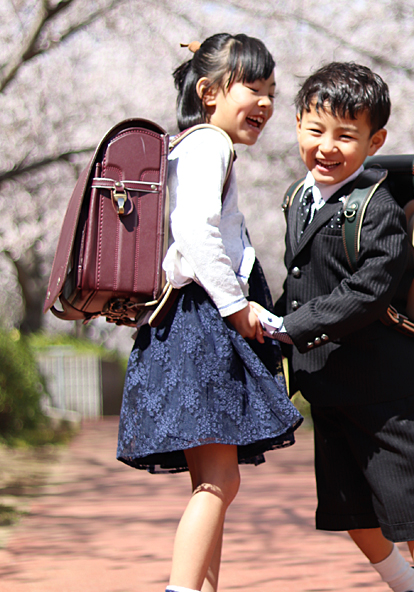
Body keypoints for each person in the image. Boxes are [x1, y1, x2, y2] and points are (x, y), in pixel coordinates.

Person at [252, 62, 414, 592]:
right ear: (297, 125)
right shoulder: (299, 199)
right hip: (328, 384)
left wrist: (290, 326)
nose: (327, 147)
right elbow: (301, 280)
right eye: (316, 130)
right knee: (348, 508)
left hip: (386, 389)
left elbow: (368, 291)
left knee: (413, 507)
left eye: (346, 135)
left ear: (375, 140)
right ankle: (404, 585)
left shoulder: (378, 207)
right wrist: (264, 319)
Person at [116, 33, 302, 592]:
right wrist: (236, 305)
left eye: (271, 90)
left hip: (183, 323)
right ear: (209, 91)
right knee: (220, 481)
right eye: (253, 87)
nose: (266, 102)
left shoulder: (187, 145)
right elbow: (195, 231)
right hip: (202, 323)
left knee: (210, 481)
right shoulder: (209, 145)